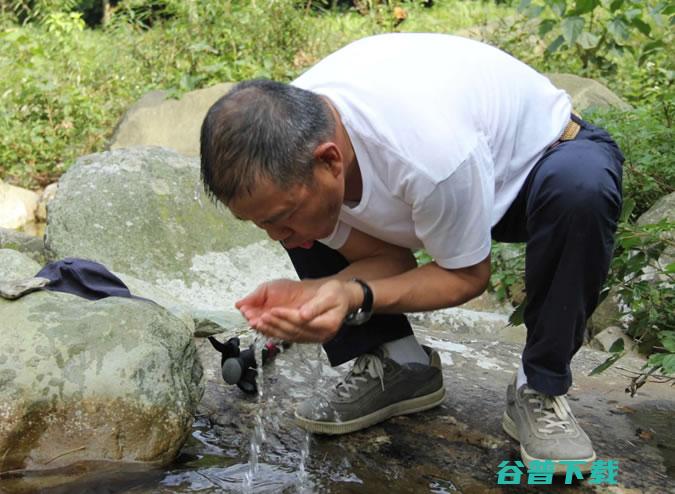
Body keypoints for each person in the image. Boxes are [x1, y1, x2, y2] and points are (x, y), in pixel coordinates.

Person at [200, 33, 623, 473]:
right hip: (430, 184)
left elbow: (465, 276)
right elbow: (392, 264)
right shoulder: (291, 135)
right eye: (258, 222)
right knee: (306, 225)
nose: (274, 235)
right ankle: (398, 364)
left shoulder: (428, 154)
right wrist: (319, 291)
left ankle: (540, 386)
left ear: (330, 161)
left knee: (582, 190)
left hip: (529, 170)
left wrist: (354, 296)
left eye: (279, 216)